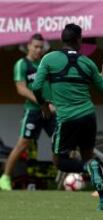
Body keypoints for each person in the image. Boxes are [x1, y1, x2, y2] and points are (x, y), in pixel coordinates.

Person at [32, 23, 103, 211]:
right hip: (88, 117)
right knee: (88, 157)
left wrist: (44, 104)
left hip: (67, 119)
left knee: (59, 161)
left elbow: (36, 87)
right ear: (79, 40)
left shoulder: (49, 59)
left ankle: (89, 169)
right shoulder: (88, 63)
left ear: (62, 39)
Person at [0, 33, 55, 191]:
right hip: (33, 112)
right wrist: (42, 103)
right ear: (29, 46)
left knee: (60, 143)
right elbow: (21, 89)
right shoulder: (22, 64)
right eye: (36, 47)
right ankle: (5, 177)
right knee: (23, 144)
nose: (38, 50)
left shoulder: (44, 64)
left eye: (41, 47)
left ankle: (65, 178)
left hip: (49, 112)